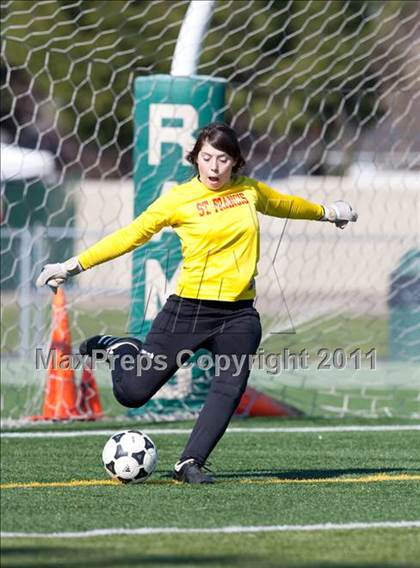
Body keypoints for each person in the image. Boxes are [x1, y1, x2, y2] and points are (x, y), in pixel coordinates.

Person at [36, 123, 358, 484]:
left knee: (228, 388)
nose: (215, 166)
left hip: (239, 315)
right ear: (195, 159)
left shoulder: (249, 191)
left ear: (235, 162)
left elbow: (285, 205)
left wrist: (328, 212)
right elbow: (130, 236)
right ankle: (122, 347)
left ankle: (189, 463)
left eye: (223, 158)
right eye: (207, 158)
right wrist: (71, 265)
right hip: (187, 312)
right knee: (132, 394)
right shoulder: (179, 199)